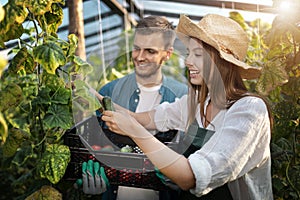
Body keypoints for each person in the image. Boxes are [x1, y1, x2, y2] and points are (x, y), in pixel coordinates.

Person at [101, 14, 274, 199]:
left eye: (198, 54)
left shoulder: (249, 110)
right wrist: (92, 95)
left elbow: (189, 177)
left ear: (222, 61)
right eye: (189, 53)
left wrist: (135, 131)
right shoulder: (195, 102)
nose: (188, 61)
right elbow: (142, 119)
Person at [80, 15, 187, 200]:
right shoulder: (109, 92)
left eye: (150, 51)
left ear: (167, 54)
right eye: (137, 48)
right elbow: (93, 149)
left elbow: (191, 165)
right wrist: (90, 183)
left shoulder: (182, 97)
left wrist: (175, 180)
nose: (140, 57)